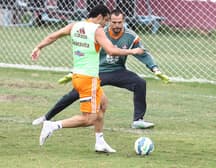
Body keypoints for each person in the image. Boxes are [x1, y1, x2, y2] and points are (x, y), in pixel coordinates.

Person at [30, 5, 144, 153]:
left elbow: (53, 36)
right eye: (106, 20)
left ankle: (100, 142)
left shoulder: (74, 26)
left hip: (80, 77)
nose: (106, 24)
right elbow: (111, 50)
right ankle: (53, 125)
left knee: (103, 104)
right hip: (87, 79)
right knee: (89, 118)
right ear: (100, 17)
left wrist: (38, 47)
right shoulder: (97, 30)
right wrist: (133, 50)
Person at [32, 9, 170, 129]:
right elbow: (87, 53)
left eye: (119, 22)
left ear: (124, 21)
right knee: (73, 94)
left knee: (140, 83)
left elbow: (142, 52)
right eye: (113, 22)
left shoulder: (130, 36)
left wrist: (155, 68)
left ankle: (138, 120)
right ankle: (47, 117)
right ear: (108, 21)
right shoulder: (99, 32)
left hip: (118, 71)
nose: (116, 25)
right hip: (97, 71)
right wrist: (72, 72)